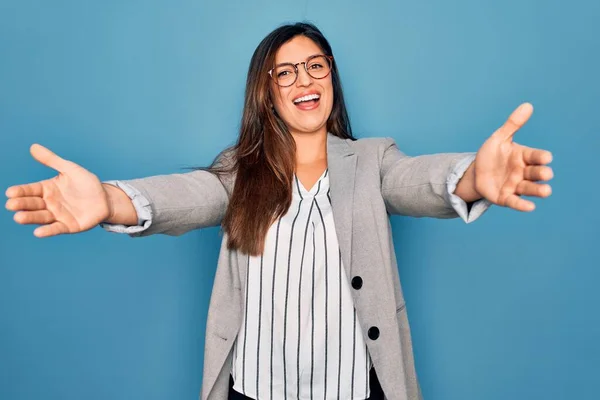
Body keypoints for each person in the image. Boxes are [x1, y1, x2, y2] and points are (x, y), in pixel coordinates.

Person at [4, 22, 553, 400]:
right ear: (266, 92)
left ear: (331, 78)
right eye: (285, 72)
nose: (304, 80)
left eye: (316, 66)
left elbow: (417, 181)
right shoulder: (239, 172)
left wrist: (473, 177)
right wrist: (110, 200)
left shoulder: (372, 160)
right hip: (254, 390)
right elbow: (187, 194)